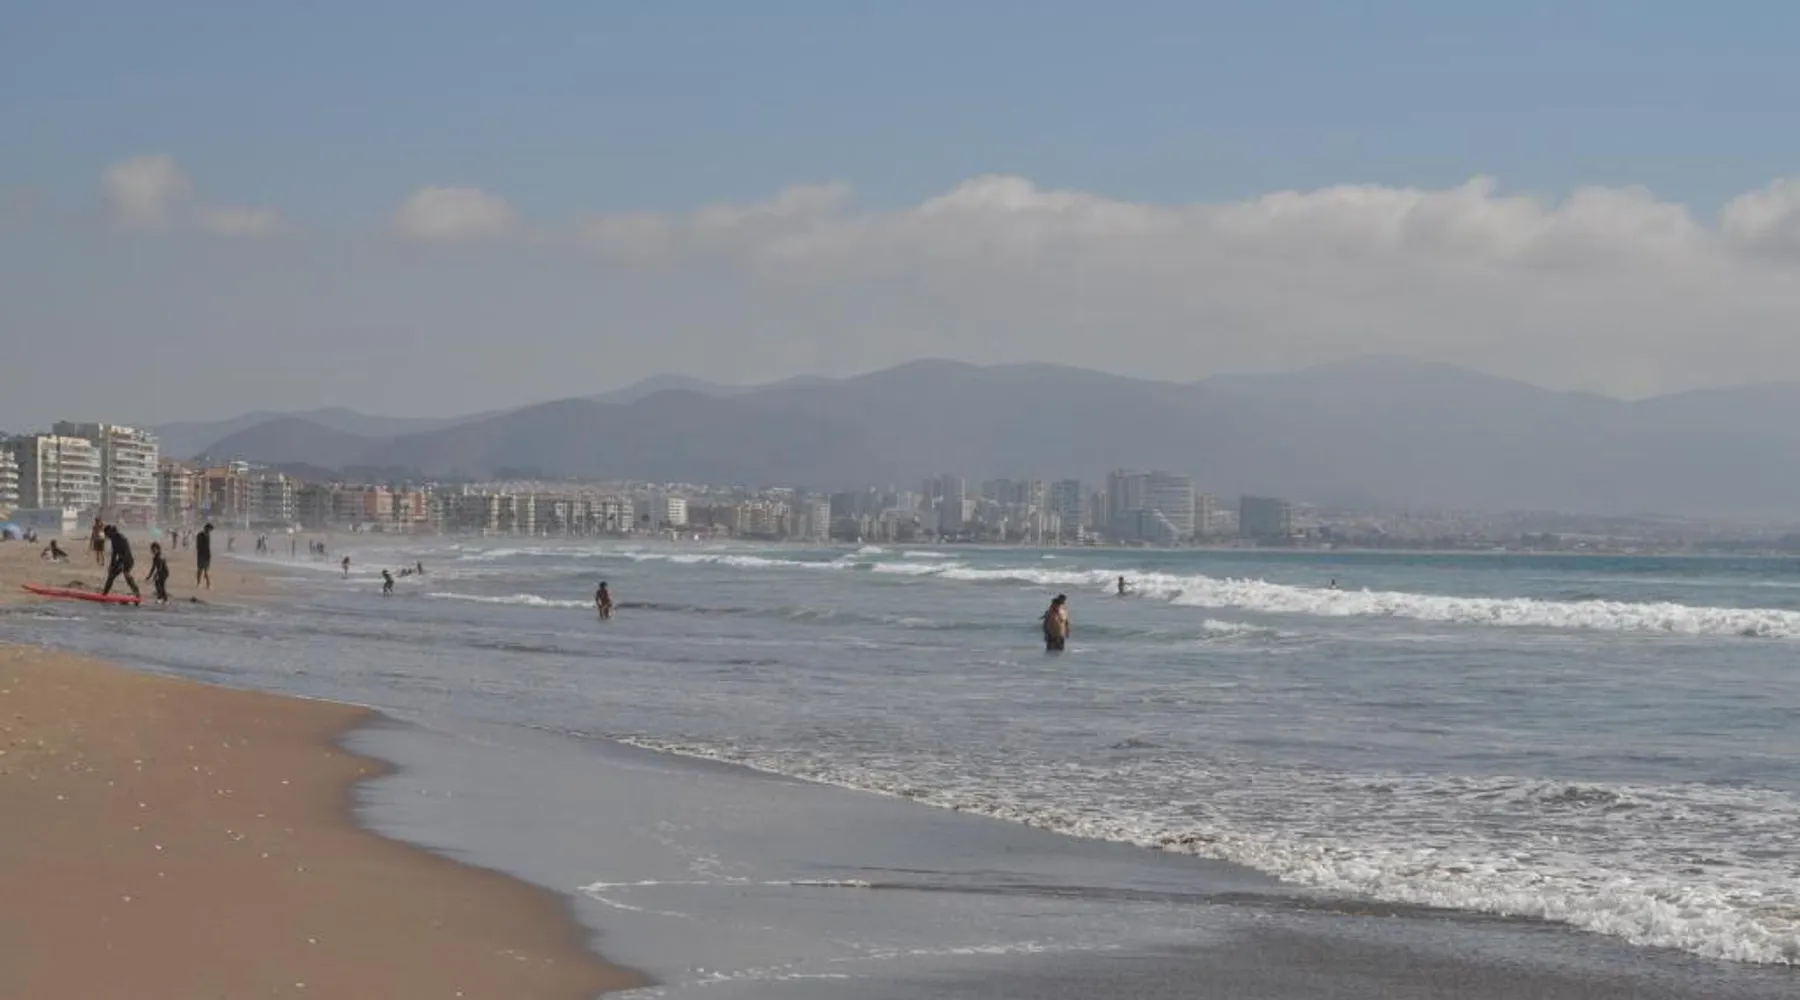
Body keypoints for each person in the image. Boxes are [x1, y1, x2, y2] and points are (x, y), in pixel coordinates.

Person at [101, 524, 140, 599]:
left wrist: (120, 564)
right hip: (120, 560)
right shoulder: (113, 538)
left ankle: (137, 594)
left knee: (127, 575)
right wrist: (112, 565)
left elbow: (125, 553)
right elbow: (114, 553)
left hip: (128, 560)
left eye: (107, 534)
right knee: (111, 575)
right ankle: (104, 594)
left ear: (110, 532)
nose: (107, 536)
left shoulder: (122, 538)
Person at [195, 523, 214, 589]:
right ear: (206, 528)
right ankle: (200, 583)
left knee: (205, 571)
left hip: (205, 555)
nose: (210, 531)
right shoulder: (201, 535)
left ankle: (207, 584)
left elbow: (206, 546)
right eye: (210, 529)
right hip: (202, 555)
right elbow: (198, 546)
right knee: (201, 570)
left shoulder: (207, 535)